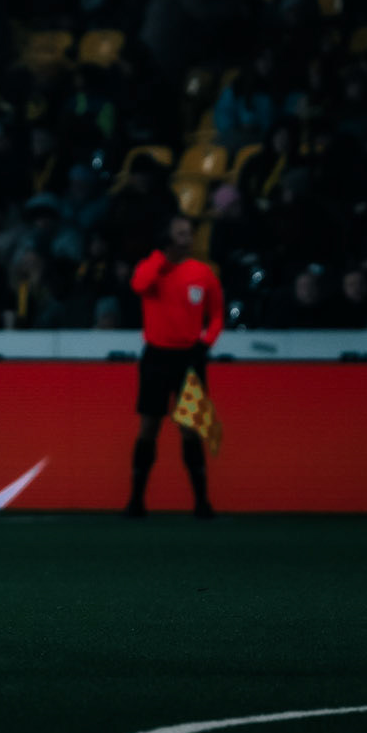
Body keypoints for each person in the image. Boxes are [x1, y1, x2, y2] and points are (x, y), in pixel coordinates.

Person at [125, 214, 224, 518]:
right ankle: (136, 500)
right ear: (167, 237)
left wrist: (205, 345)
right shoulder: (151, 268)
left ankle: (201, 502)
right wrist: (160, 257)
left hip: (189, 358)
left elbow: (217, 314)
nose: (188, 238)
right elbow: (139, 285)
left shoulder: (203, 273)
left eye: (189, 233)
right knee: (148, 428)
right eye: (180, 233)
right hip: (156, 356)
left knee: (190, 429)